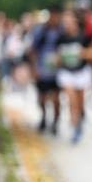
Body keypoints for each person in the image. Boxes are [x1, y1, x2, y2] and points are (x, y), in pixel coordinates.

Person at [56, 10, 92, 144]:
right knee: (71, 100)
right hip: (67, 72)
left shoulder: (84, 36)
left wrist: (81, 53)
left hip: (81, 72)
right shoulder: (61, 37)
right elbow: (57, 57)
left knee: (79, 102)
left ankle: (79, 122)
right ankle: (74, 127)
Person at [28, 7, 64, 135]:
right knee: (42, 98)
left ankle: (55, 121)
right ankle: (43, 117)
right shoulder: (41, 31)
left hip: (57, 71)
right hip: (42, 69)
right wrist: (35, 68)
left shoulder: (62, 31)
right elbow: (32, 50)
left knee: (56, 98)